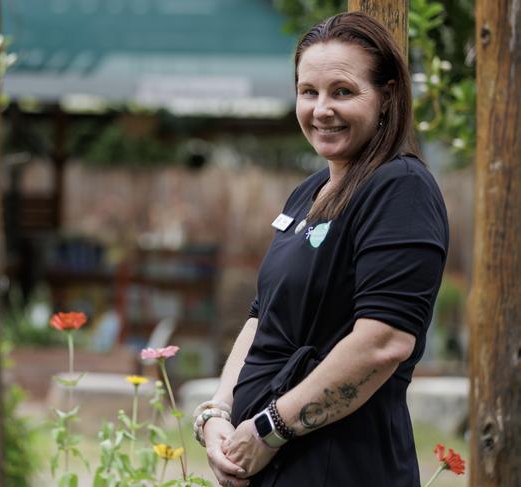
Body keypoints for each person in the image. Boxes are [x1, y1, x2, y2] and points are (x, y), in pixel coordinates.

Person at [192, 11, 449, 487]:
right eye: (308, 91)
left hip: (340, 466)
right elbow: (261, 317)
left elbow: (382, 343)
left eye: (343, 91)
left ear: (387, 95)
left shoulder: (400, 188)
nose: (321, 109)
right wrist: (217, 413)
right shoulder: (309, 192)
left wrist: (269, 429)